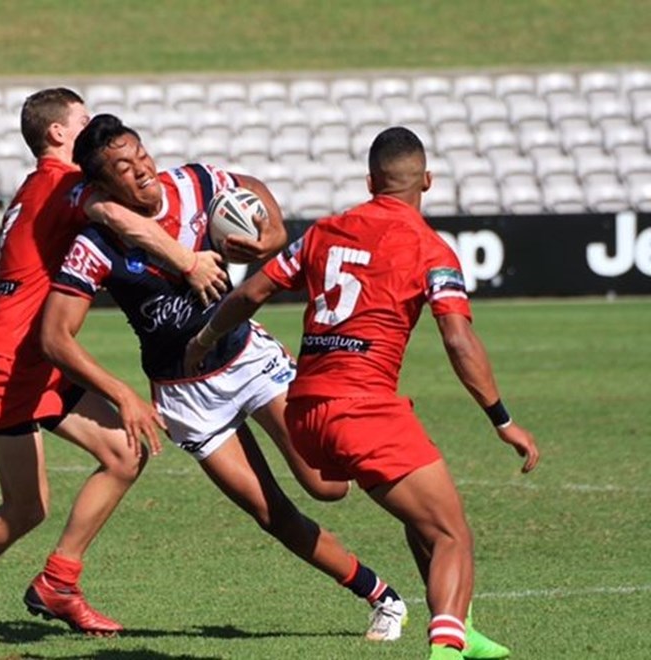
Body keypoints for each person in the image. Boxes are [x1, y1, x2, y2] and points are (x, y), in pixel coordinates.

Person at [39, 113, 410, 643]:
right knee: (271, 512)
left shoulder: (195, 183)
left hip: (249, 360)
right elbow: (55, 337)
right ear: (101, 186)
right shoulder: (97, 244)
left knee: (328, 485)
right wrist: (122, 395)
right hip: (187, 397)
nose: (141, 169)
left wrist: (272, 235)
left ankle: (421, 507)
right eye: (122, 168)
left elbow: (253, 187)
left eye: (141, 154)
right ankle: (382, 597)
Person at [184, 126, 541, 660]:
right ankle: (448, 646)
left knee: (422, 518)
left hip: (305, 410)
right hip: (363, 410)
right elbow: (458, 339)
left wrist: (204, 339)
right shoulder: (430, 247)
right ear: (427, 181)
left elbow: (253, 290)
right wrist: (502, 419)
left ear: (371, 181)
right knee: (452, 535)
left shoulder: (324, 231)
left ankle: (463, 629)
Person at [0, 87, 242, 644]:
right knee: (26, 507)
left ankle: (59, 582)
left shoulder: (42, 187)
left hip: (33, 355)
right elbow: (118, 216)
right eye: (84, 121)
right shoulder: (63, 183)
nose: (95, 129)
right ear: (58, 133)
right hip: (4, 359)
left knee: (125, 452)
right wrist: (188, 261)